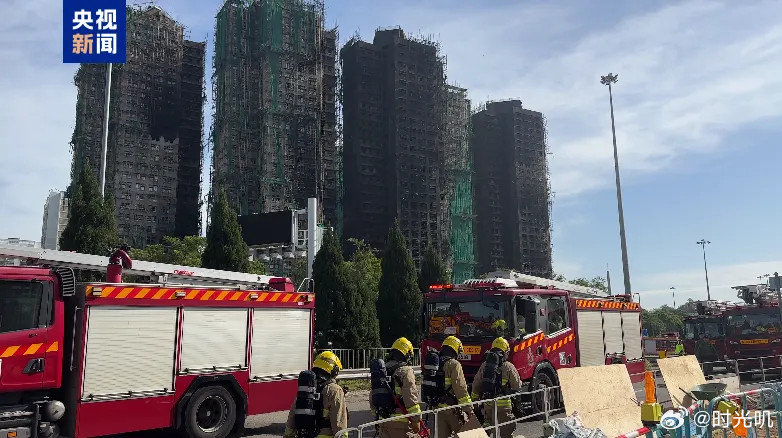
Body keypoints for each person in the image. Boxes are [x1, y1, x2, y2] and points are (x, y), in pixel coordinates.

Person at [284, 351, 348, 438]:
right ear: (334, 371)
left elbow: (292, 417)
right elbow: (339, 423)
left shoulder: (305, 388)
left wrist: (288, 436)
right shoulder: (335, 390)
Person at [371, 337, 423, 438]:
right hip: (401, 424)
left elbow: (372, 396)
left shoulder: (382, 371)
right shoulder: (405, 371)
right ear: (406, 354)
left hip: (383, 421)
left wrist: (377, 418)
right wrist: (416, 419)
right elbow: (411, 398)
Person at [470, 338, 521, 438]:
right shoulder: (508, 366)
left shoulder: (484, 366)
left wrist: (474, 402)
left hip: (488, 406)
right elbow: (517, 386)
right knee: (506, 434)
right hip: (504, 407)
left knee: (486, 431)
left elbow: (476, 385)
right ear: (505, 352)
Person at [436, 336, 474, 438]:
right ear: (455, 349)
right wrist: (469, 410)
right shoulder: (454, 364)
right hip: (452, 409)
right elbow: (460, 389)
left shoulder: (436, 363)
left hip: (438, 409)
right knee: (468, 435)